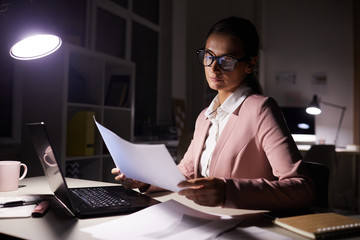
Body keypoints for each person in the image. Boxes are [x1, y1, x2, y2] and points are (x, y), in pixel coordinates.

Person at [112, 17, 315, 210]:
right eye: (208, 56)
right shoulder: (204, 117)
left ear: (250, 64)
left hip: (243, 224)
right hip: (203, 218)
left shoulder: (261, 110)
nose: (213, 68)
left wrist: (228, 191)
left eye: (227, 60)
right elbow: (185, 173)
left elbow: (301, 189)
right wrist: (144, 179)